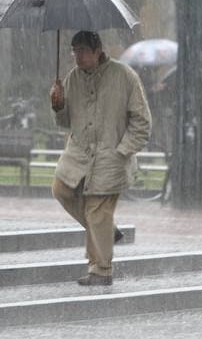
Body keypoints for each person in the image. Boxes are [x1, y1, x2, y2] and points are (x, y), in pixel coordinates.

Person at [49, 31, 151, 286]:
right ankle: (108, 232)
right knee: (61, 189)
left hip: (111, 156)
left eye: (82, 51)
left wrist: (122, 150)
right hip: (79, 155)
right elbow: (65, 122)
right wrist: (58, 103)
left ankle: (101, 270)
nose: (77, 56)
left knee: (96, 210)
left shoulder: (124, 76)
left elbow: (142, 121)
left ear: (97, 51)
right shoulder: (72, 78)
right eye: (74, 51)